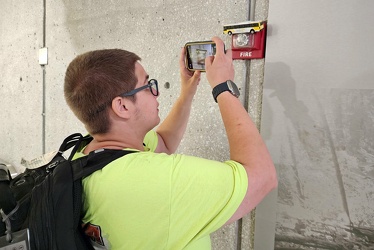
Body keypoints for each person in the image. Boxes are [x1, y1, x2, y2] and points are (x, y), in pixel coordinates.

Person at [64, 36, 277, 250]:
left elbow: (163, 143)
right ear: (122, 106)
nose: (156, 92)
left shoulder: (87, 154)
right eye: (147, 86)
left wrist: (187, 92)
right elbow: (262, 177)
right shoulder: (162, 181)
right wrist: (222, 87)